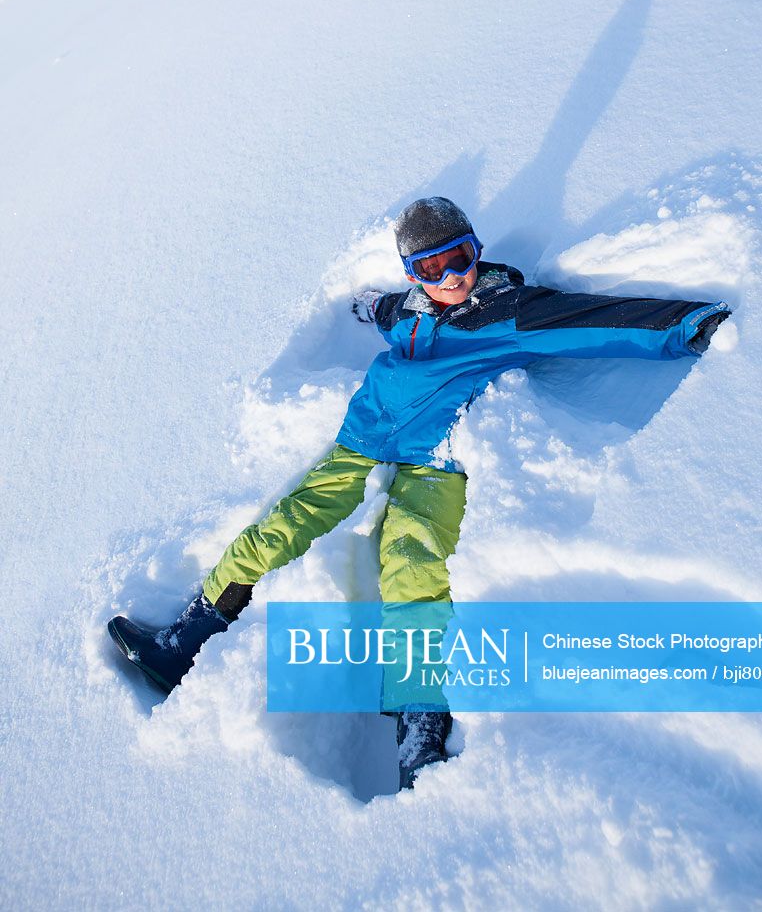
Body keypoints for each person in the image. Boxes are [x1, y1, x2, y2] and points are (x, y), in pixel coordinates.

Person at [108, 197, 730, 788]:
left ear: (476, 251)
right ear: (412, 273)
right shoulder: (406, 310)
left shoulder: (509, 310)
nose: (449, 276)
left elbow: (594, 323)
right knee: (281, 525)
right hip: (360, 442)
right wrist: (364, 306)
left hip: (435, 459)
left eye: (458, 257)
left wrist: (685, 326)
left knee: (410, 564)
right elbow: (380, 311)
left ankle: (420, 723)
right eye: (429, 267)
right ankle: (185, 640)